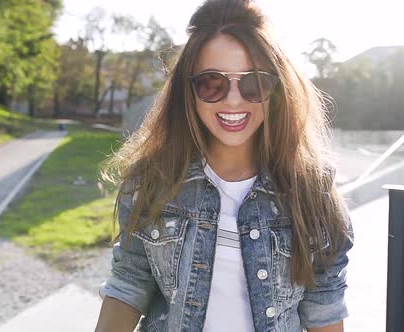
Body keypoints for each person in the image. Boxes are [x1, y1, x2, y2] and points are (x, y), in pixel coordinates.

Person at [95, 0, 353, 331]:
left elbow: (325, 309)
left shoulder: (313, 191)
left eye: (253, 82)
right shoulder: (152, 180)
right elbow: (127, 286)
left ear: (276, 90)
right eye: (211, 83)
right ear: (187, 91)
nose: (233, 99)